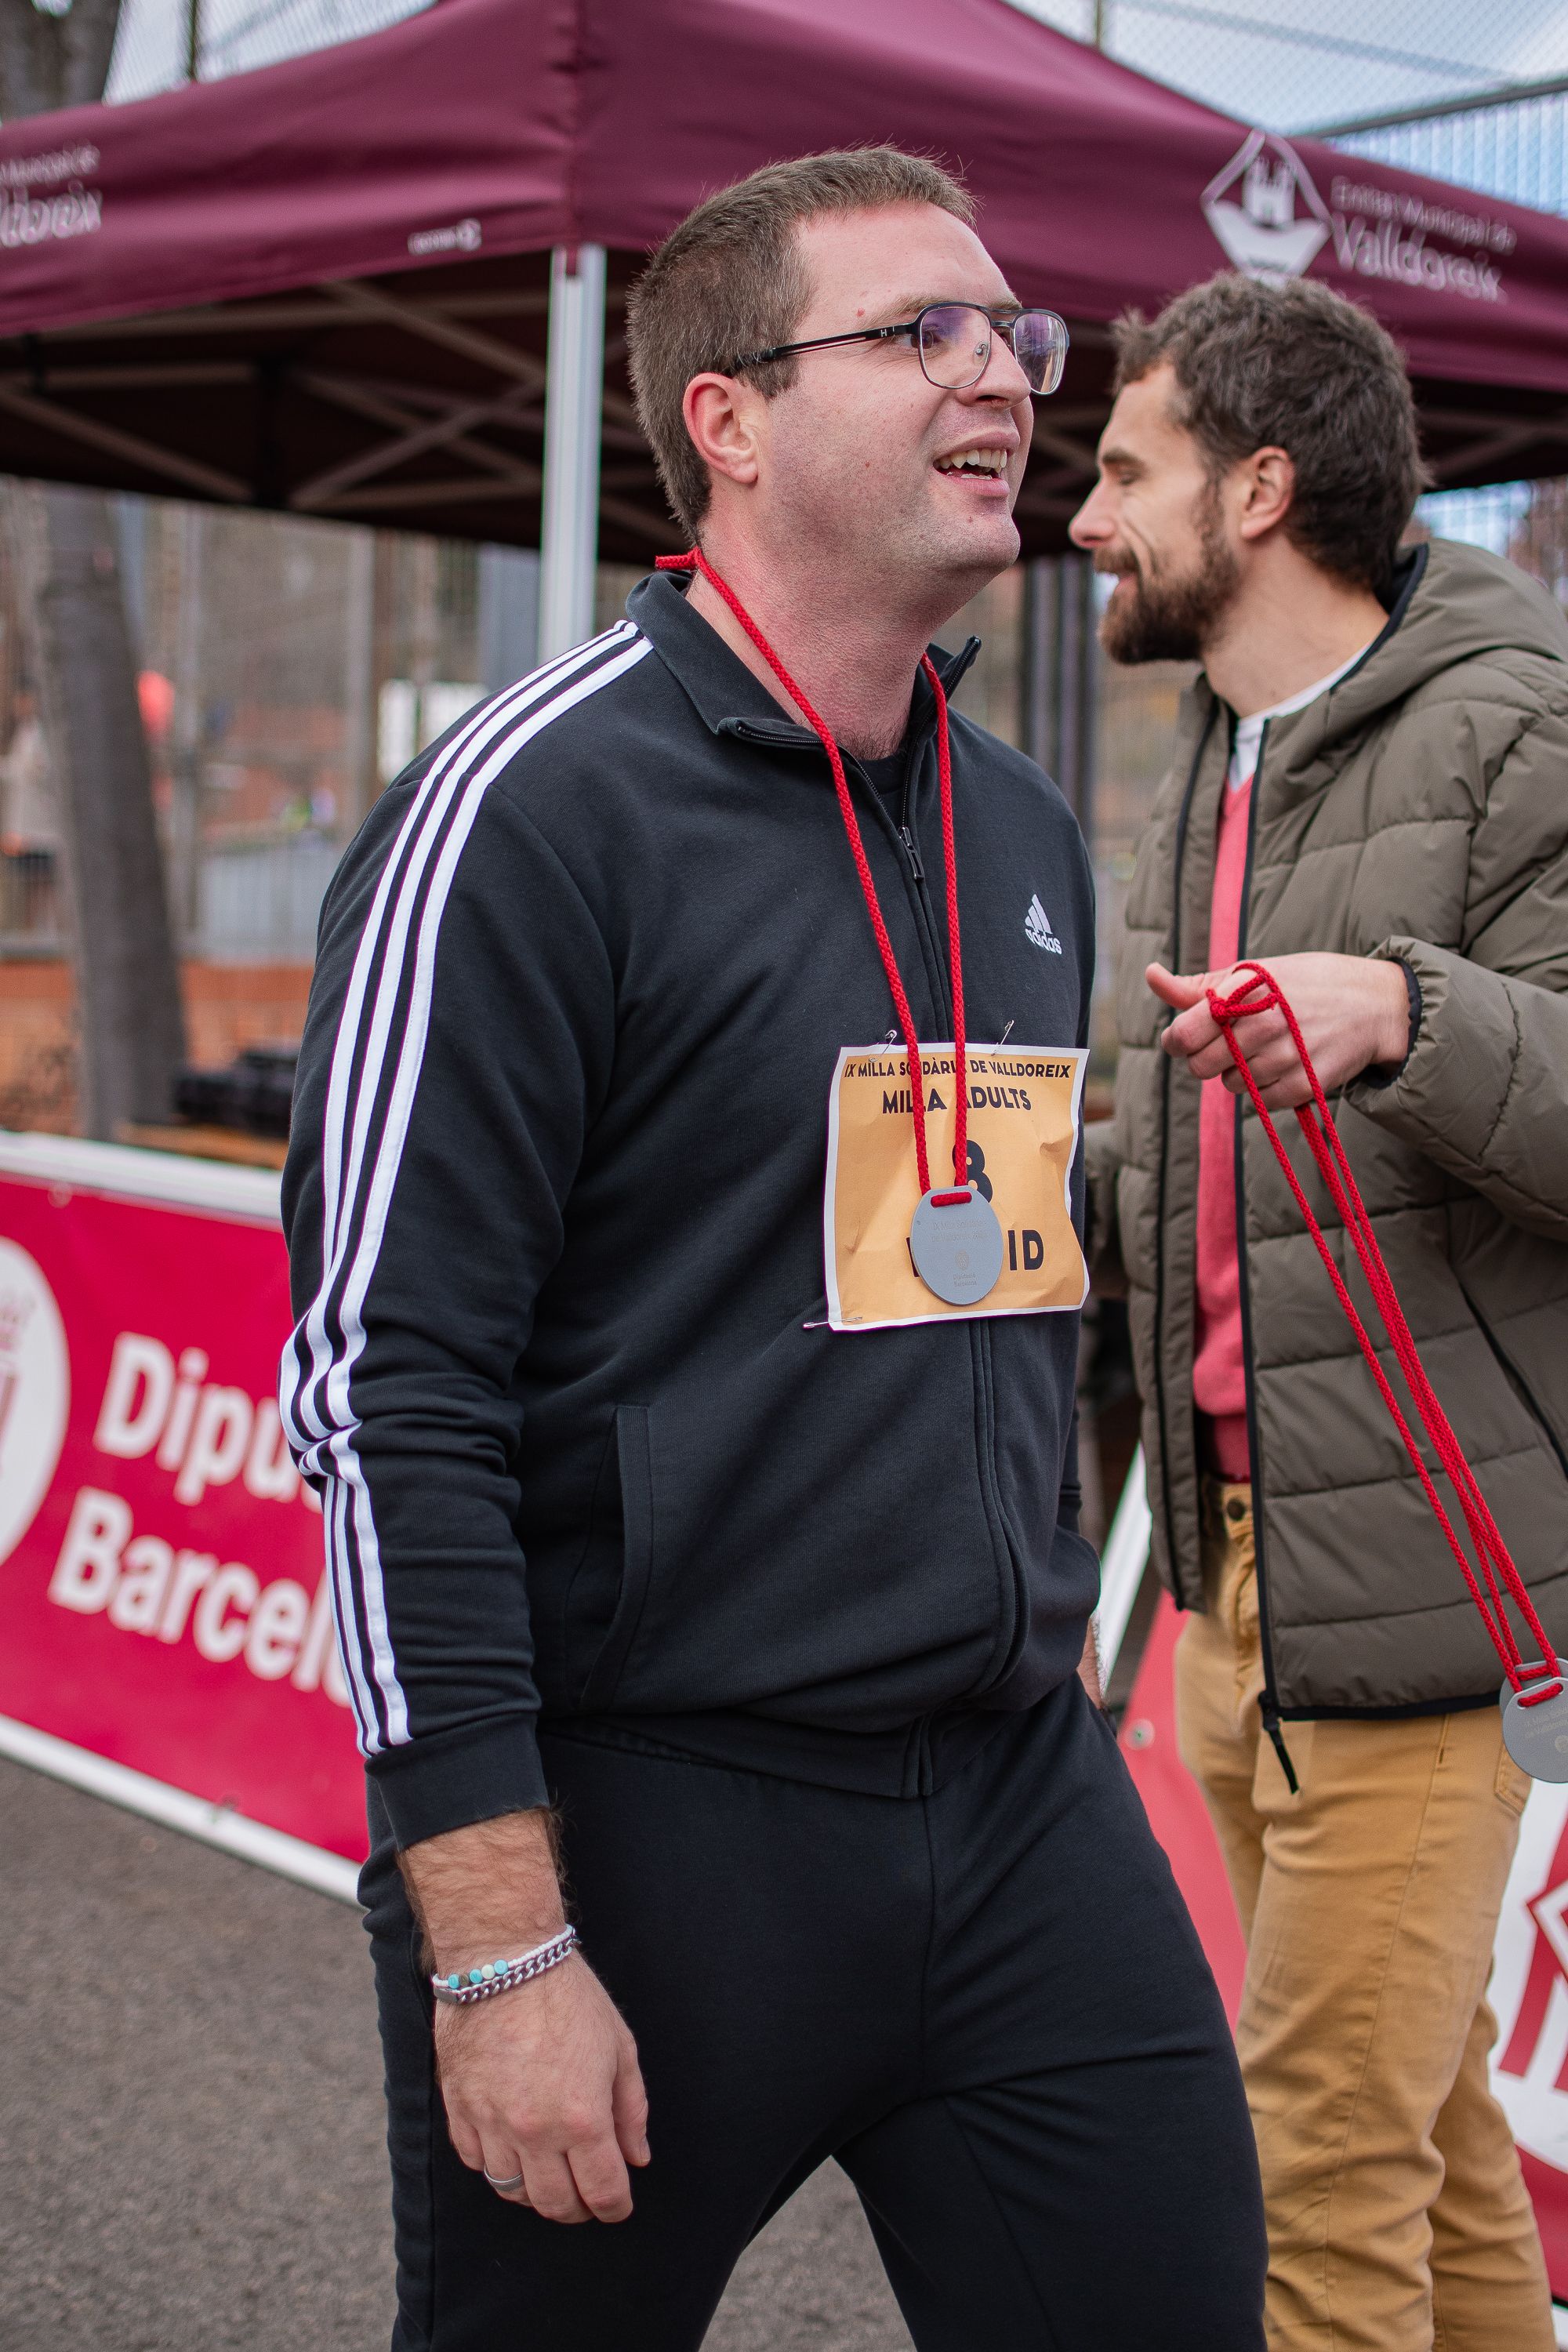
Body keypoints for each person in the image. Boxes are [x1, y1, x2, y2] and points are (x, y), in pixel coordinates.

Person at [281, 149, 1266, 2351]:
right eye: (919, 332)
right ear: (727, 418)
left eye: (1013, 334)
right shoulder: (531, 810)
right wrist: (501, 1947)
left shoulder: (1014, 818)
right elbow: (386, 1392)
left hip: (1015, 1791)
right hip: (648, 1823)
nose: (1006, 374)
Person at [1073, 268, 1568, 2352]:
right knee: (1429, 2131)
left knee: (1308, 2165)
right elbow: (1155, 1153)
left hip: (1428, 1585)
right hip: (1237, 1575)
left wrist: (1410, 1014)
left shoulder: (1527, 715)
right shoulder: (1211, 746)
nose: (1084, 515)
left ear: (1259, 487)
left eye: (1126, 468)